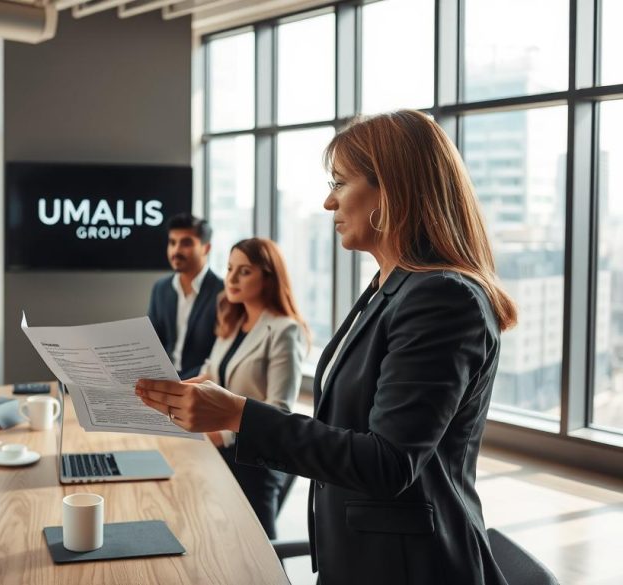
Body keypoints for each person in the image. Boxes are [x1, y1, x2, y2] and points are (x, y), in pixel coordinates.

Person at [136, 110, 517, 584]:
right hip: (359, 553)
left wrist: (239, 414)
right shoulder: (390, 288)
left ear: (391, 190)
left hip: (408, 567)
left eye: (340, 182)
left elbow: (388, 461)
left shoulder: (442, 297)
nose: (327, 201)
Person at [200, 237, 308, 539]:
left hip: (254, 464)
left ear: (269, 277)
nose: (231, 278)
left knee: (261, 556)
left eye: (244, 271)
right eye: (229, 268)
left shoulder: (284, 329)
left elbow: (280, 411)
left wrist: (222, 434)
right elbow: (210, 374)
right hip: (218, 457)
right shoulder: (232, 321)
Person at [148, 213, 224, 380]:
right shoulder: (161, 289)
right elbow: (152, 343)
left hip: (202, 383)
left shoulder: (223, 292)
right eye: (172, 243)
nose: (176, 250)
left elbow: (221, 356)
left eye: (186, 243)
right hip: (163, 380)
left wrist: (181, 384)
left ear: (206, 248)